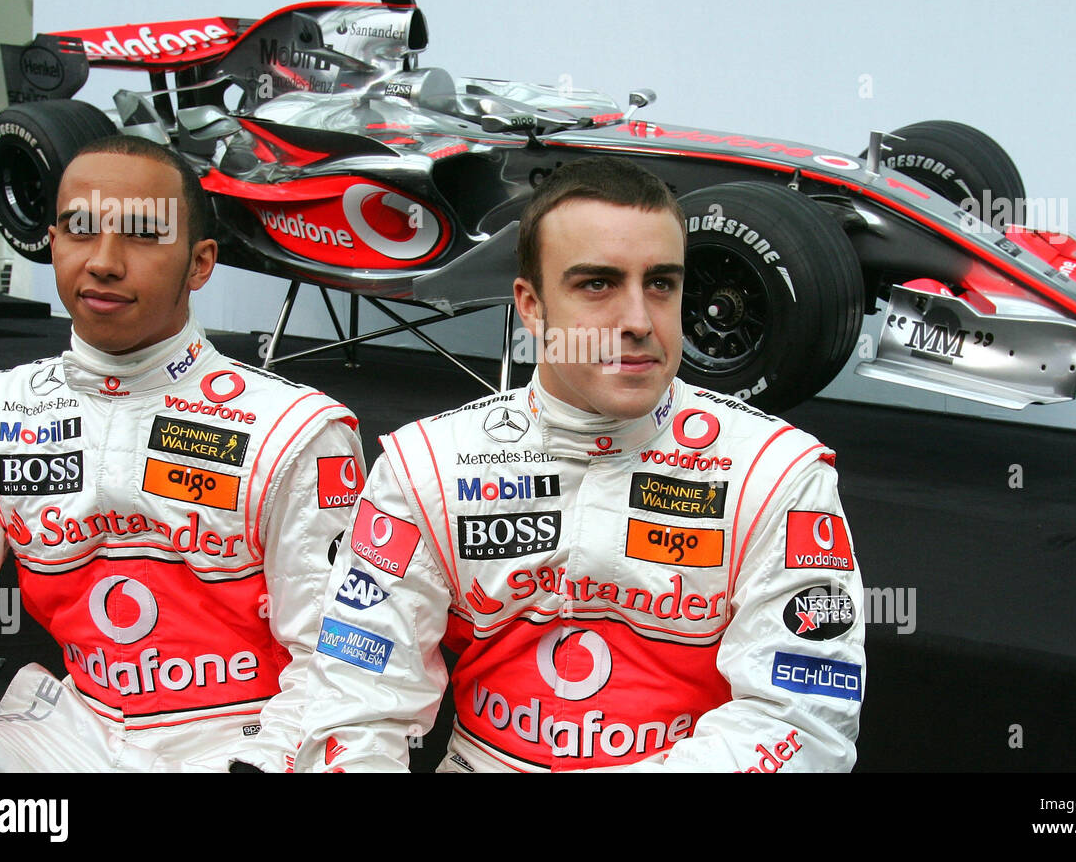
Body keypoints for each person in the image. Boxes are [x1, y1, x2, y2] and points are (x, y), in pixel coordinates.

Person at [297, 156, 864, 772]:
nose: (639, 322)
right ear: (532, 306)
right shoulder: (426, 466)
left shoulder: (778, 474)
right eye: (597, 284)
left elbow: (799, 720)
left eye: (662, 284)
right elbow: (354, 700)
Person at [0, 136, 365, 771]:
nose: (102, 262)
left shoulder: (295, 431)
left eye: (140, 235)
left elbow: (342, 652)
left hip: (245, 740)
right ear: (52, 242)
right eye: (79, 229)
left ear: (200, 263)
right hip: (67, 734)